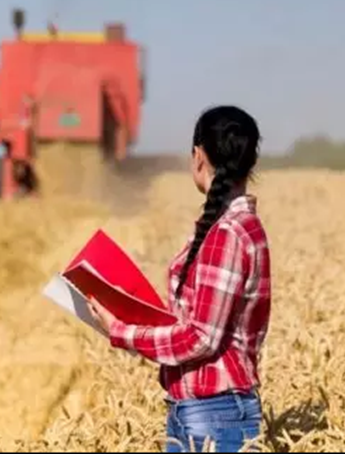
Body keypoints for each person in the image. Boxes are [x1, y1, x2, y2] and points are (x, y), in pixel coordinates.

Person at [89, 105, 271, 453]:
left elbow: (201, 338)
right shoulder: (236, 227)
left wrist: (120, 331)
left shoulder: (227, 234)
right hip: (205, 411)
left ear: (198, 156)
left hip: (213, 413)